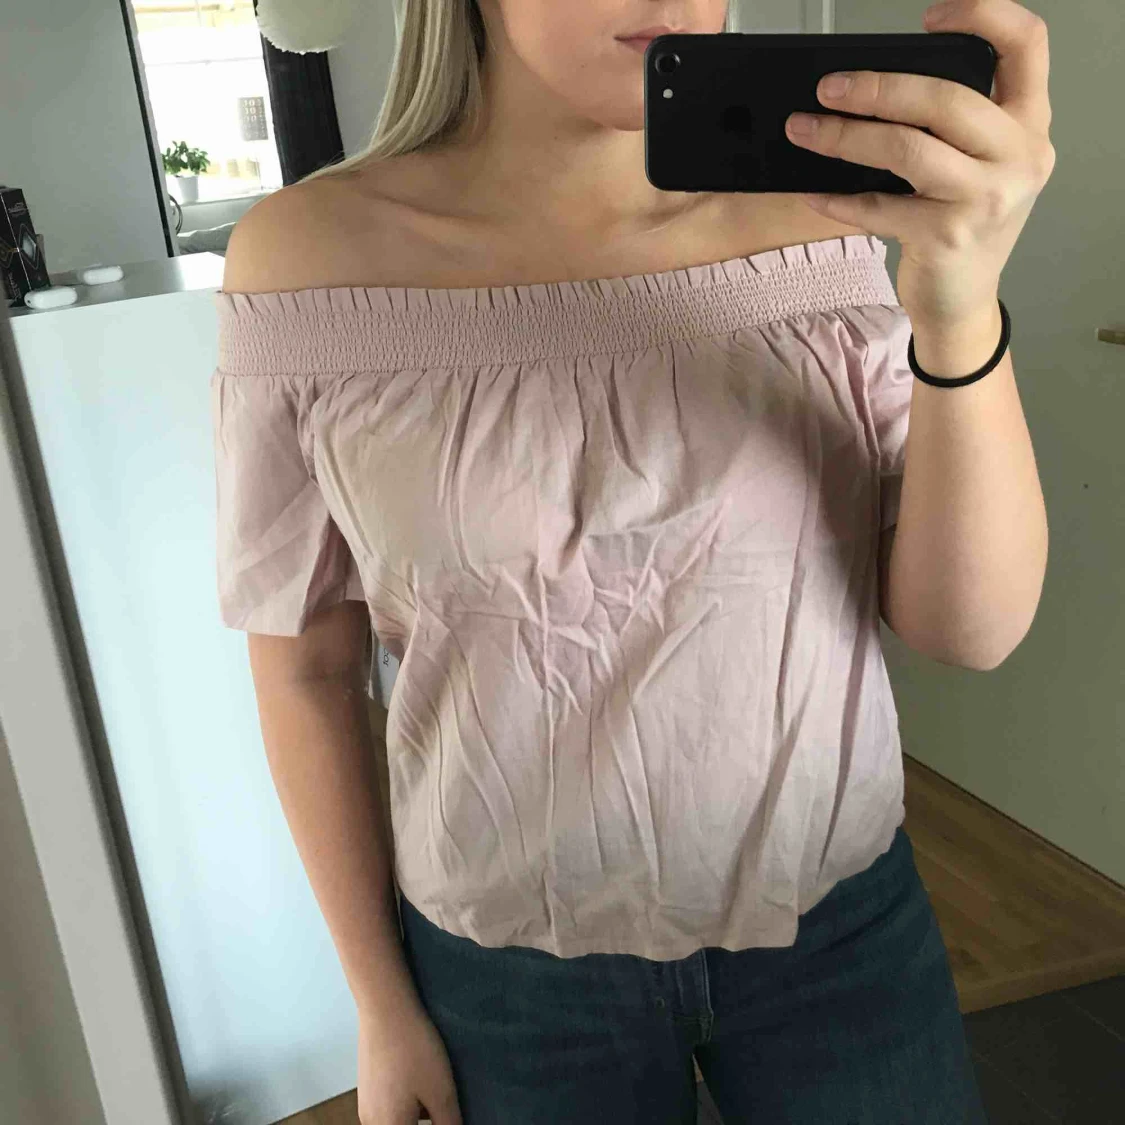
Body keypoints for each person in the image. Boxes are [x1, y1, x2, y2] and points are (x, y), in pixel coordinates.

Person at [212, 2, 992, 1122]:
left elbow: (968, 630)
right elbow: (305, 671)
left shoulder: (824, 222)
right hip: (508, 980)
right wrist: (380, 1004)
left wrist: (961, 309)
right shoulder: (306, 261)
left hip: (838, 933)